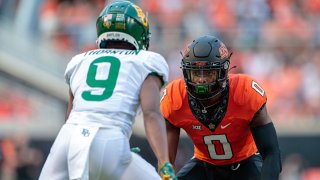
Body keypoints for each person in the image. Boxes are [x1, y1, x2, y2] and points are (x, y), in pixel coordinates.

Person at [39, 1, 176, 180]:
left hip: (68, 139)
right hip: (109, 138)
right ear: (139, 31)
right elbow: (151, 113)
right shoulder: (146, 60)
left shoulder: (80, 60)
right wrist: (164, 161)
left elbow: (70, 113)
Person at [160, 35, 282, 180]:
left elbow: (271, 153)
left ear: (223, 72)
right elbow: (166, 162)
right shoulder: (175, 98)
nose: (201, 80)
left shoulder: (244, 93)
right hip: (203, 165)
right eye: (195, 73)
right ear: (186, 73)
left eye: (209, 73)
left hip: (245, 163)